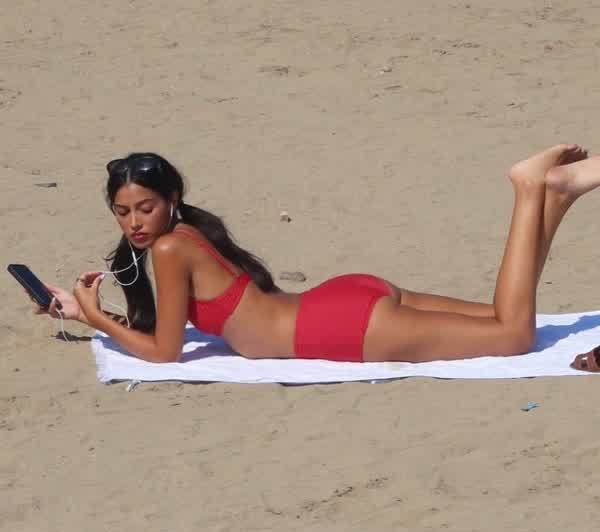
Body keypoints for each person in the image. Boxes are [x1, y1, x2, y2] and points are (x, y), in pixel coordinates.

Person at [32, 145, 600, 367]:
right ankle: (557, 195)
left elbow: (165, 352)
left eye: (145, 208)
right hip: (342, 300)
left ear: (171, 200)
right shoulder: (189, 234)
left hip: (339, 327)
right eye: (123, 211)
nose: (134, 222)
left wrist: (99, 318)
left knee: (513, 335)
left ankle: (529, 191)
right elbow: (167, 326)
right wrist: (82, 312)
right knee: (505, 317)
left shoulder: (170, 247)